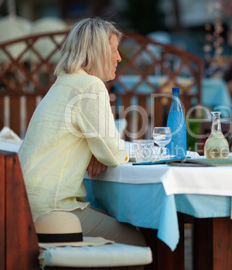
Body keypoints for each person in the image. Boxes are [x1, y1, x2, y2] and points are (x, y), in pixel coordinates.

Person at [18, 17, 146, 247]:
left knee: (108, 221)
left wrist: (97, 152)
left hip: (25, 205)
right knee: (137, 242)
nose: (119, 58)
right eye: (115, 51)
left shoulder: (61, 83)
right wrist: (102, 153)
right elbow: (113, 154)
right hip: (54, 211)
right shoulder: (90, 86)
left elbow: (100, 149)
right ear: (97, 52)